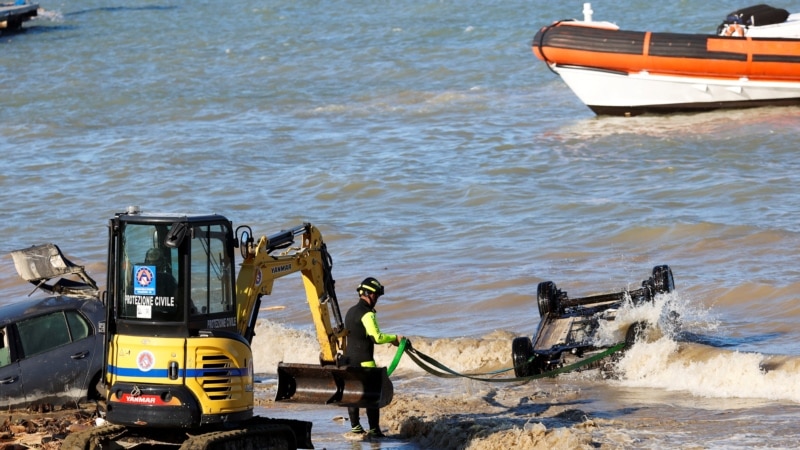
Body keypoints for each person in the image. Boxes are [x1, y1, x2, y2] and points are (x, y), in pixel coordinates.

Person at [344, 277, 403, 438]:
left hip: (349, 360)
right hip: (365, 360)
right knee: (372, 395)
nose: (376, 299)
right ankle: (374, 430)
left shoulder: (350, 312)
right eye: (376, 295)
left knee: (353, 393)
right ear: (368, 294)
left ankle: (355, 427)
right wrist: (394, 338)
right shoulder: (367, 314)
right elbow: (376, 337)